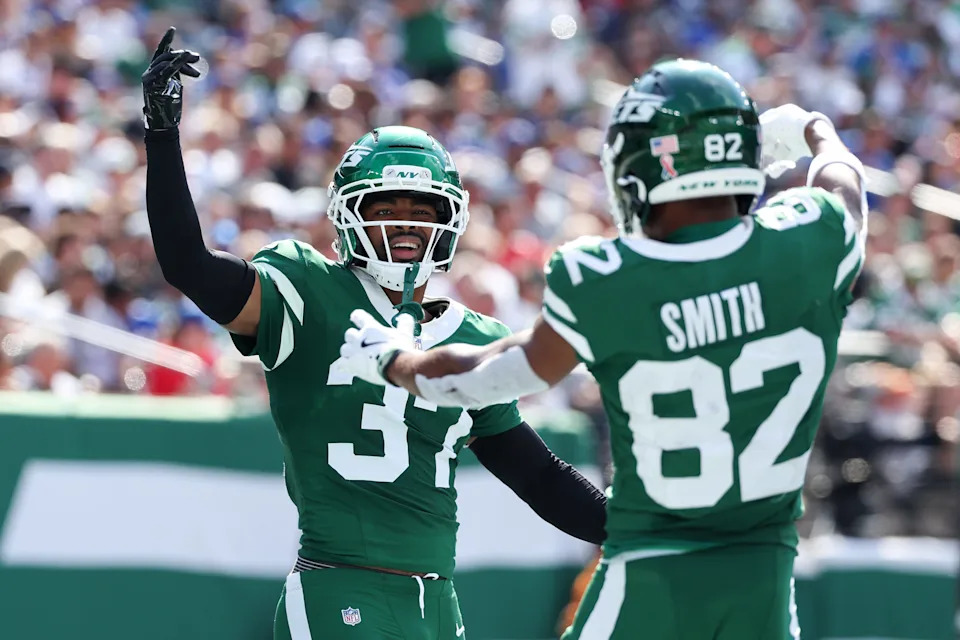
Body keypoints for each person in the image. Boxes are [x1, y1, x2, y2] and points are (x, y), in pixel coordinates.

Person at [340, 58, 868, 639]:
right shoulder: (810, 241)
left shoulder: (606, 275)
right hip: (765, 574)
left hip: (650, 570)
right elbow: (844, 185)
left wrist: (395, 359)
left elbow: (485, 377)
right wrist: (813, 129)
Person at [140, 28, 606, 640]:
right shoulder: (308, 291)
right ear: (348, 214)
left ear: (451, 219)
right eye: (387, 207)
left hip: (438, 600)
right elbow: (188, 266)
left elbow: (540, 477)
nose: (405, 225)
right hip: (341, 585)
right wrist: (162, 136)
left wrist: (644, 524)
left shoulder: (472, 332)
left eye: (421, 209)